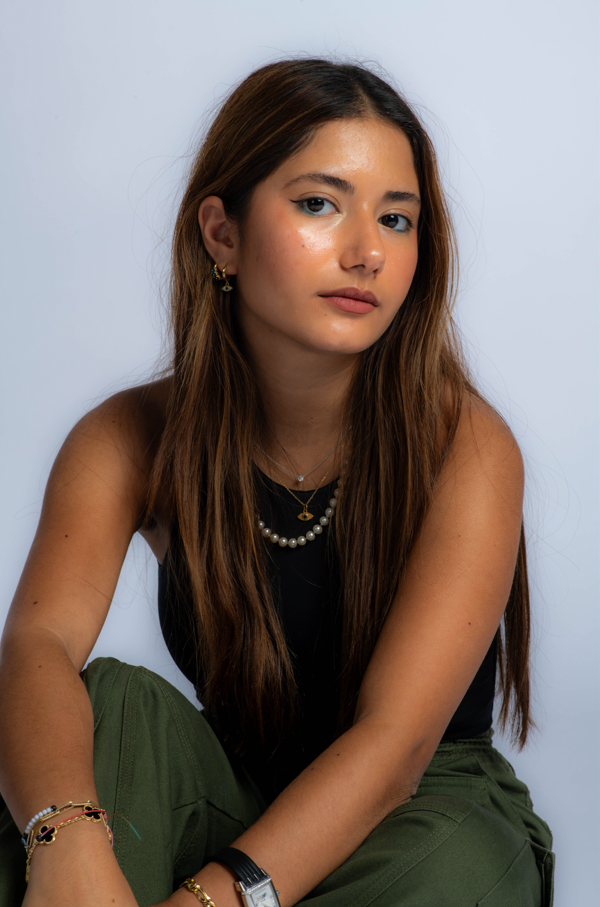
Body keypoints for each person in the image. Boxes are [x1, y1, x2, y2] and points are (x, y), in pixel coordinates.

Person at [0, 59, 554, 907]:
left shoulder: (466, 445)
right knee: (101, 706)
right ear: (221, 233)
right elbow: (36, 649)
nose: (367, 251)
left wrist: (209, 902)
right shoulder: (129, 438)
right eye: (319, 203)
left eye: (398, 219)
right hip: (230, 792)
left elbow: (394, 746)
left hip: (419, 811)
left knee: (457, 870)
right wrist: (63, 835)